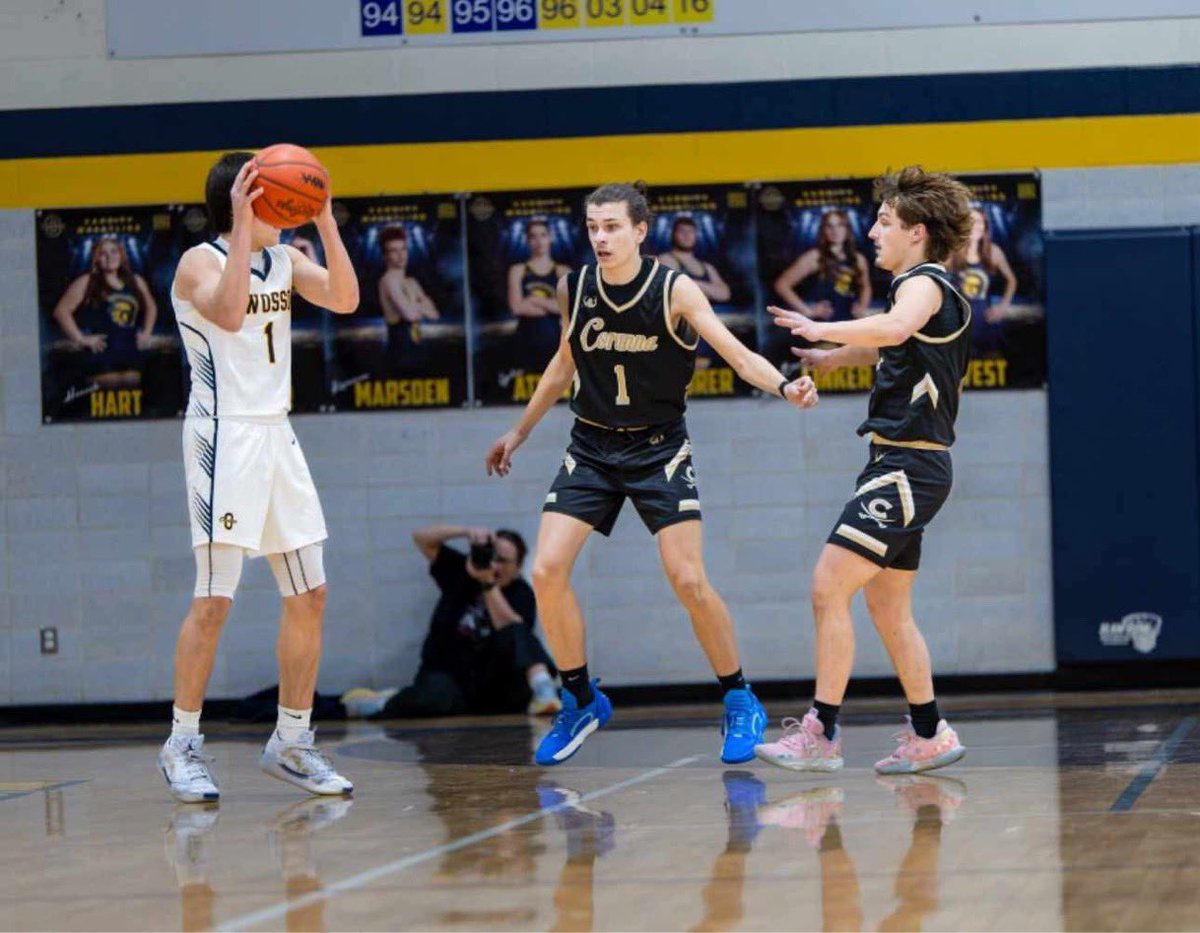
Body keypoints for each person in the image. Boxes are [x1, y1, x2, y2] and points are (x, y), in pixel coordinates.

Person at [485, 182, 819, 767]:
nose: (601, 237)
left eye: (612, 226)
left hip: (658, 450)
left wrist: (785, 384)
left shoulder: (674, 289)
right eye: (592, 227)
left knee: (687, 579)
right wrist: (520, 432)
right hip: (590, 448)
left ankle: (740, 697)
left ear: (640, 231)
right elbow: (563, 364)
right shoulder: (577, 286)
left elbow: (737, 354)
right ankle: (582, 698)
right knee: (544, 569)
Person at [757, 165, 972, 775]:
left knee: (828, 586)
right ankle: (929, 734)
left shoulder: (925, 284)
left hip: (908, 466)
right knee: (888, 609)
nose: (872, 231)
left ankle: (821, 733)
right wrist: (833, 356)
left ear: (918, 232)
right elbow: (891, 343)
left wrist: (822, 324)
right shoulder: (918, 292)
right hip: (903, 465)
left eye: (884, 222)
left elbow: (898, 327)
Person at [159, 152, 360, 803]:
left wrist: (325, 221)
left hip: (277, 433)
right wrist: (246, 223)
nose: (291, 204)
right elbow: (226, 310)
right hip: (225, 435)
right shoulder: (201, 261)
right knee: (216, 597)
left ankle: (293, 741)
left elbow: (346, 297)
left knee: (311, 593)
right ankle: (182, 741)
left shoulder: (286, 258)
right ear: (248, 201)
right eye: (283, 196)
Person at [378, 524, 561, 718]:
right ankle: (385, 701)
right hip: (449, 671)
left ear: (517, 568)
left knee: (518, 631)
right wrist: (466, 532)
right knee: (436, 700)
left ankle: (544, 690)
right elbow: (421, 538)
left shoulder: (522, 593)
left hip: (494, 678)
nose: (495, 565)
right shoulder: (462, 569)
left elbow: (513, 631)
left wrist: (488, 583)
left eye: (503, 561)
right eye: (492, 556)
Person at [51, 236, 158, 388]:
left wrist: (147, 332)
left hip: (131, 355)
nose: (110, 257)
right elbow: (61, 311)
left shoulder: (135, 280)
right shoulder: (87, 281)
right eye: (103, 253)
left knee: (134, 402)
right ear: (97, 258)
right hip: (102, 358)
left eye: (114, 251)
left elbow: (151, 307)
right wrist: (81, 339)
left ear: (121, 254)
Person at [773, 209, 872, 322]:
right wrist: (808, 311)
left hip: (849, 324)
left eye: (840, 225)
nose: (835, 231)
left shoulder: (858, 258)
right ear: (823, 230)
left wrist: (862, 307)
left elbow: (865, 286)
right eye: (829, 226)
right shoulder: (814, 257)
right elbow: (781, 285)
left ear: (847, 229)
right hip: (822, 326)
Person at [947, 206, 1017, 357]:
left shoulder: (993, 251)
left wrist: (1003, 306)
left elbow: (1012, 280)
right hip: (959, 328)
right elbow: (933, 278)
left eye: (979, 222)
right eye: (971, 222)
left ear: (985, 226)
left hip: (986, 324)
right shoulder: (952, 252)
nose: (975, 226)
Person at [507, 219, 571, 374]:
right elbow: (516, 307)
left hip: (554, 340)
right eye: (533, 236)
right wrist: (551, 306)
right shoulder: (518, 270)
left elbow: (566, 308)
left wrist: (533, 300)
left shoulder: (562, 271)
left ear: (550, 238)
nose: (539, 241)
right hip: (525, 339)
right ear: (528, 241)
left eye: (543, 235)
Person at [378, 226, 439, 375]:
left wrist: (415, 306)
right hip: (399, 354)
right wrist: (421, 304)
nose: (400, 255)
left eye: (403, 249)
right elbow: (410, 314)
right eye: (394, 251)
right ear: (385, 256)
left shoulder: (412, 282)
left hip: (417, 349)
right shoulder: (388, 280)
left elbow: (434, 314)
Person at [657, 215, 731, 305]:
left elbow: (725, 294)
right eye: (682, 231)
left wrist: (693, 284)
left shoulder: (707, 267)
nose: (687, 235)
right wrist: (711, 290)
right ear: (673, 234)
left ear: (696, 235)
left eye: (690, 231)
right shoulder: (665, 259)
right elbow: (676, 290)